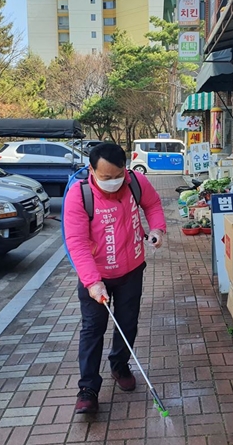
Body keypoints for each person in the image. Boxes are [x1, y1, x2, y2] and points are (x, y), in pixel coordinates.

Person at [63, 142, 166, 414]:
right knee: (92, 329)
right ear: (91, 170)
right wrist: (92, 281)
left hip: (132, 269)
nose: (113, 182)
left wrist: (156, 229)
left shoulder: (136, 183)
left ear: (126, 168)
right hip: (96, 277)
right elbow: (77, 242)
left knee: (127, 323)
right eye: (105, 178)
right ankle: (88, 388)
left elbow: (153, 204)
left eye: (118, 175)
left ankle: (120, 366)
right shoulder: (79, 195)